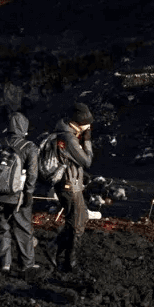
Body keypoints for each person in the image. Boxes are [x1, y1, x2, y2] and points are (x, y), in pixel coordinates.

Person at [54, 102, 95, 273]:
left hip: (70, 183)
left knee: (80, 217)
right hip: (69, 185)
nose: (90, 126)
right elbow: (87, 161)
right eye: (88, 123)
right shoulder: (69, 138)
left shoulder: (67, 134)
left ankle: (55, 248)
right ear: (79, 121)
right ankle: (70, 262)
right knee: (77, 224)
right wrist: (87, 142)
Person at [0, 112, 39, 275]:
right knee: (23, 229)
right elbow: (33, 174)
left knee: (1, 228)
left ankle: (4, 264)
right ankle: (26, 264)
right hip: (18, 196)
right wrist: (28, 193)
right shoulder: (29, 147)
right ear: (24, 128)